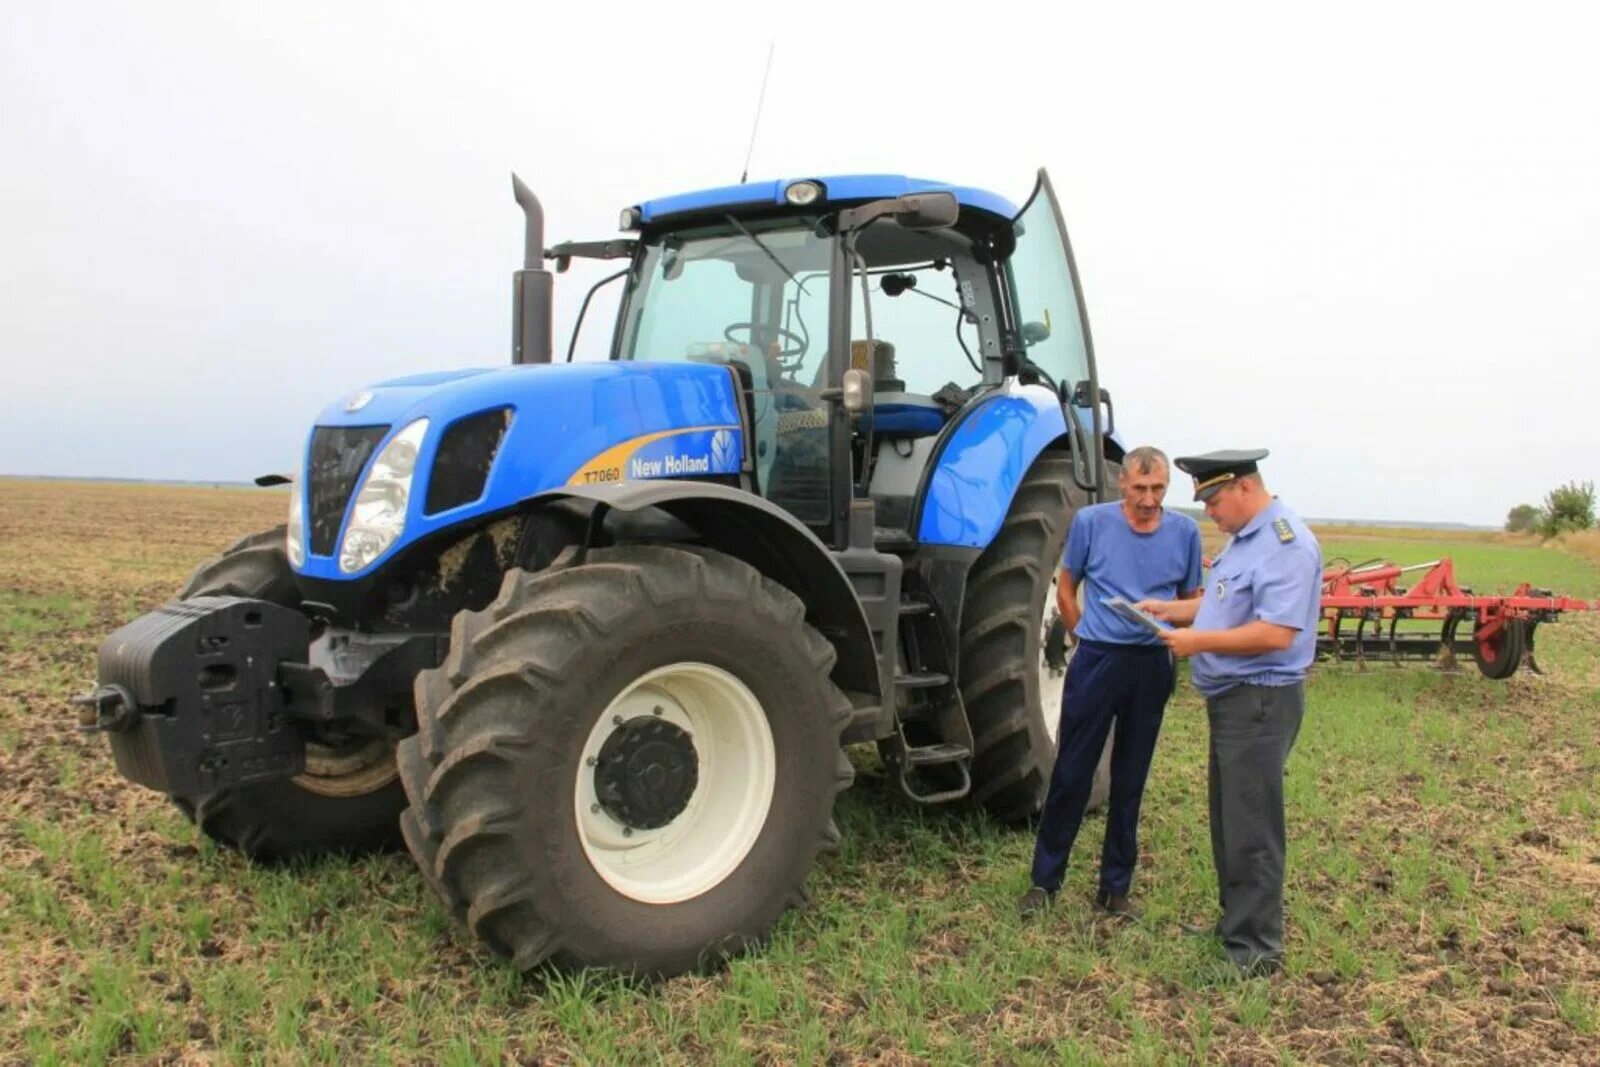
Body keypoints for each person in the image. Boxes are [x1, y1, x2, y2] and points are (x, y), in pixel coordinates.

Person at [1138, 449, 1321, 976]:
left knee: (1253, 825)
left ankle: (1257, 950)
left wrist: (1197, 642)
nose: (1210, 513)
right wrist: (1172, 611)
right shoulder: (1248, 541)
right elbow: (1225, 600)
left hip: (1260, 699)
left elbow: (1275, 632)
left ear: (1244, 488)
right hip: (1235, 699)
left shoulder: (1285, 542)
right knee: (1229, 819)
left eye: (1215, 500)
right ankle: (1235, 923)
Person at [1018, 446, 1203, 920]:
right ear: (1122, 483)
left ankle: (1114, 888)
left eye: (1158, 489)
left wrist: (1174, 632)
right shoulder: (1092, 524)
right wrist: (1081, 630)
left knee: (1130, 778)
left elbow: (1191, 599)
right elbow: (1065, 584)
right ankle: (1044, 881)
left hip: (1151, 664)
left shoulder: (1184, 533)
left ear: (1167, 487)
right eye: (1140, 488)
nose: (1148, 499)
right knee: (1072, 772)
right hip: (1097, 659)